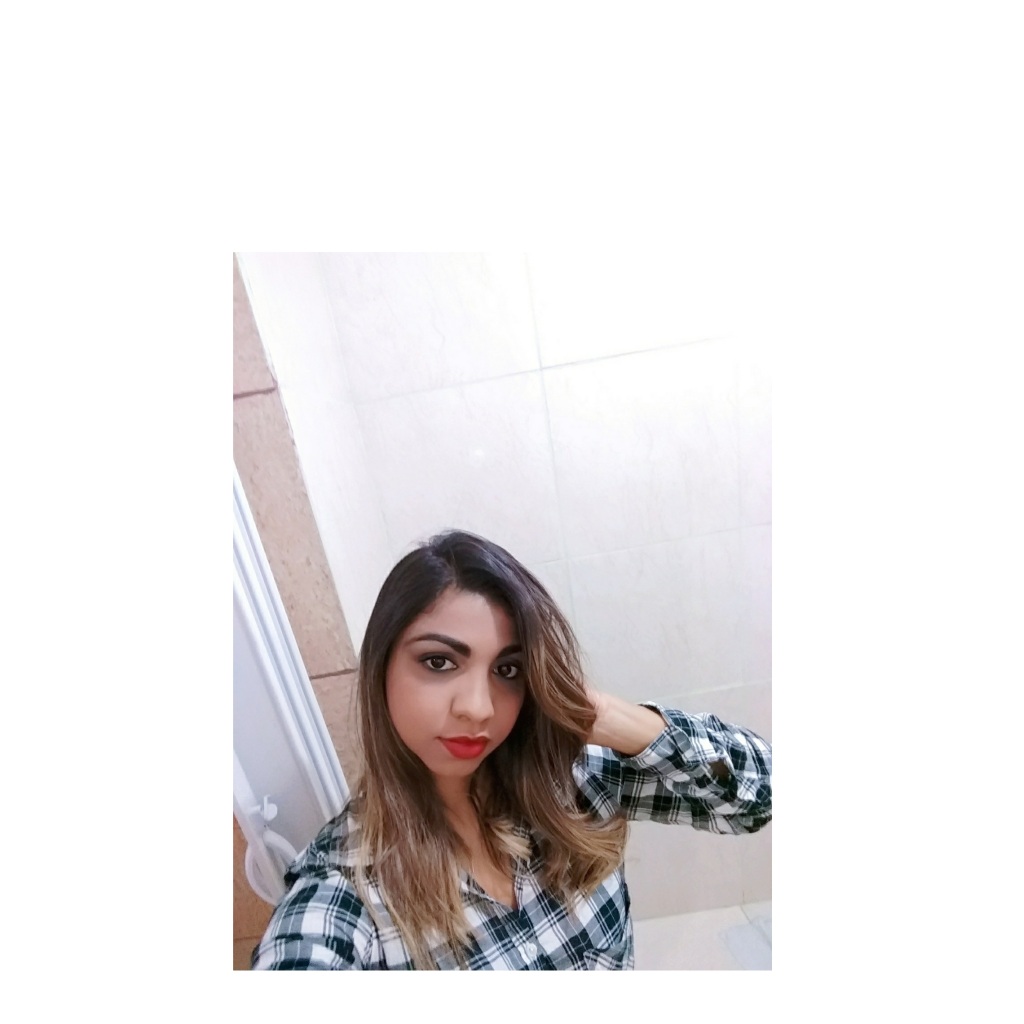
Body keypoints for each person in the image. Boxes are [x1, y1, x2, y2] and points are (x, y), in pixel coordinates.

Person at [251, 530, 771, 970]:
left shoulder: (572, 781)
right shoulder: (346, 891)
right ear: (381, 668)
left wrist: (605, 717)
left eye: (508, 670)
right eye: (439, 662)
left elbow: (759, 795)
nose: (478, 708)